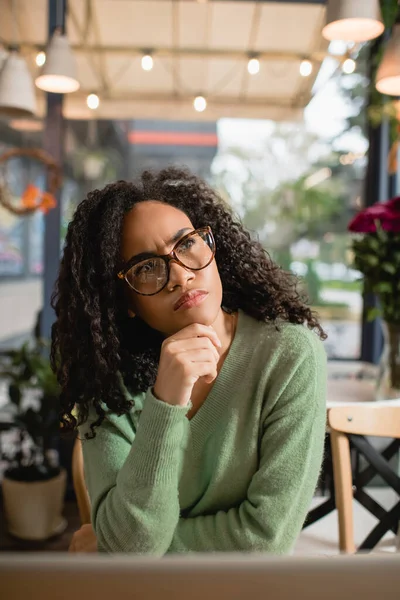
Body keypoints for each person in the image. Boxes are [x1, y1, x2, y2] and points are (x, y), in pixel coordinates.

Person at [51, 167, 327, 555]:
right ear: (125, 302)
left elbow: (267, 538)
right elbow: (131, 543)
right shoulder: (107, 383)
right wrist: (166, 402)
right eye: (146, 267)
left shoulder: (288, 355)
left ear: (212, 247)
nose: (180, 275)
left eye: (186, 244)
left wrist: (124, 552)